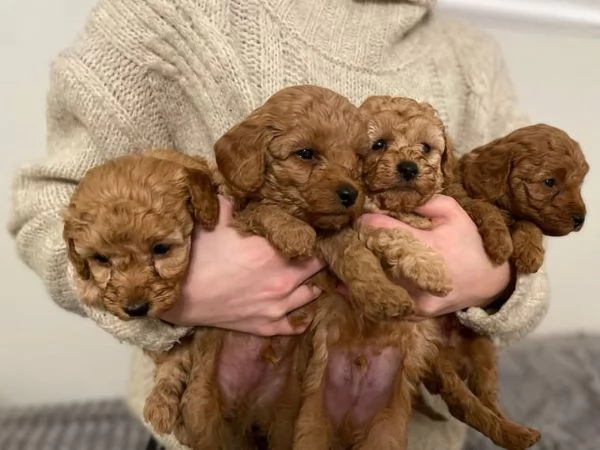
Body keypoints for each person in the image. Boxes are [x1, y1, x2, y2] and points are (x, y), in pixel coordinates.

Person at [8, 0, 549, 449]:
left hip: (403, 422)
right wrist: (173, 290)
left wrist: (494, 281)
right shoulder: (162, 14)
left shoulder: (471, 53)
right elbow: (47, 207)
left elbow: (528, 226)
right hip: (215, 420)